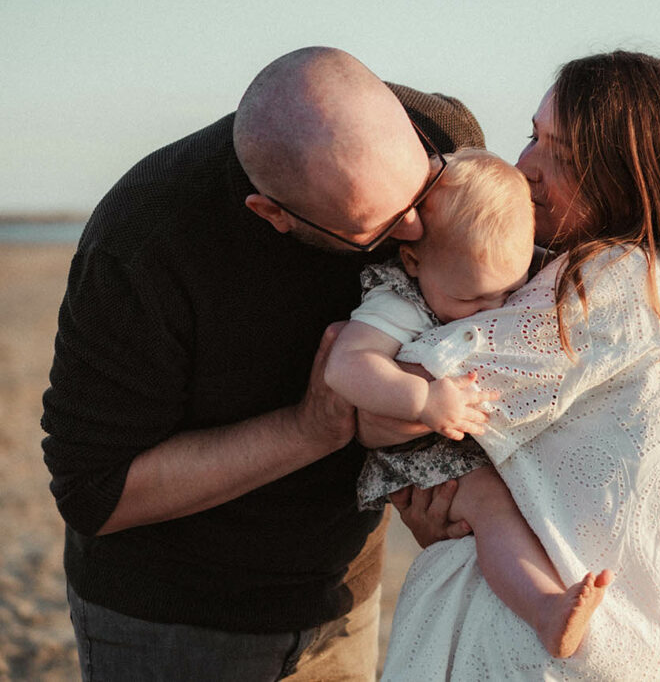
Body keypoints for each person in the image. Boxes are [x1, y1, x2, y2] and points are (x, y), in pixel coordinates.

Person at [40, 46, 485, 681]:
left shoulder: (445, 140)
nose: (417, 232)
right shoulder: (144, 240)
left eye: (424, 192)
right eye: (379, 231)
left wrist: (430, 480)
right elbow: (93, 491)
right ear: (270, 213)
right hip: (176, 623)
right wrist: (311, 428)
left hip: (348, 591)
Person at [371, 50, 660, 680]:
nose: (525, 168)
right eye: (533, 137)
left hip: (542, 660)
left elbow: (396, 390)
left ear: (627, 179)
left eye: (562, 156)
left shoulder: (610, 284)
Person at [325, 147, 612, 658]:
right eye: (472, 302)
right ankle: (544, 610)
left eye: (508, 292)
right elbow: (345, 368)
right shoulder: (397, 300)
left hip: (465, 436)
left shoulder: (485, 271)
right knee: (491, 507)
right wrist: (423, 399)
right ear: (413, 260)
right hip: (419, 454)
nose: (490, 313)